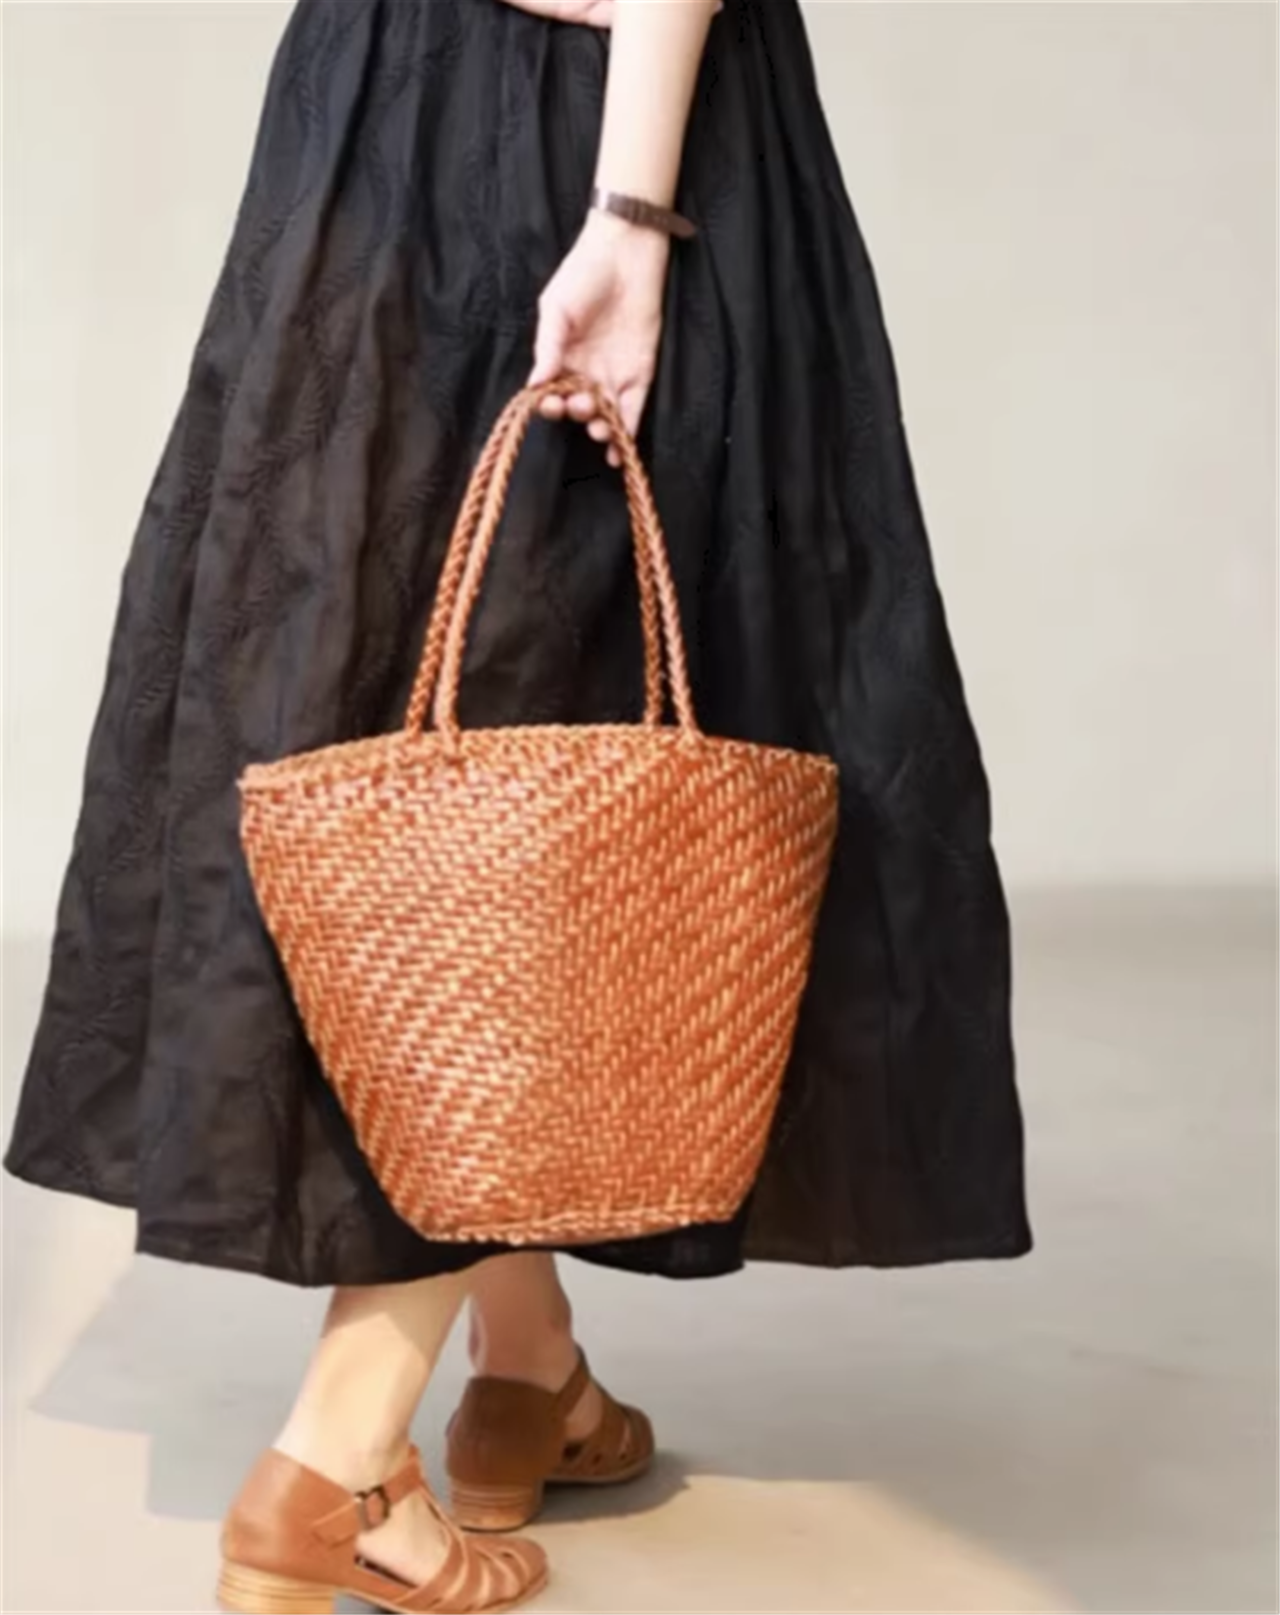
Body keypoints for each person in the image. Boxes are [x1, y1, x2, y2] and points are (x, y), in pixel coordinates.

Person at [5, 0, 1032, 1610]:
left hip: (378, 107)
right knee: (552, 752)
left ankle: (527, 1365)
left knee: (458, 739)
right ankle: (339, 1463)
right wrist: (631, 208)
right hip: (601, 126)